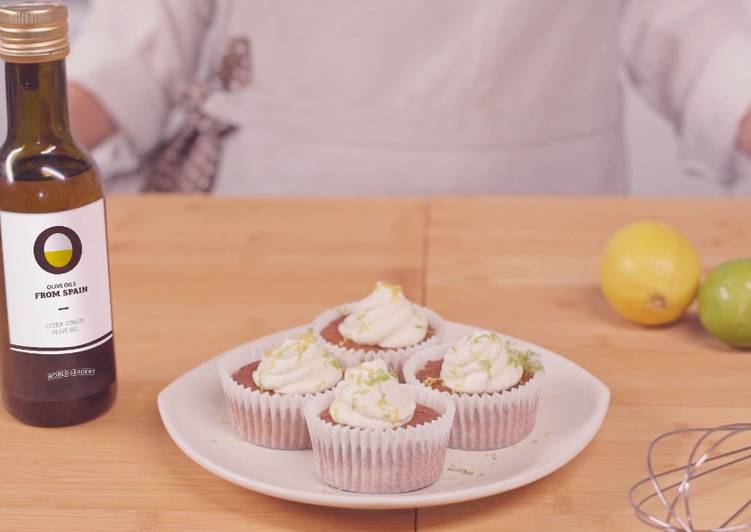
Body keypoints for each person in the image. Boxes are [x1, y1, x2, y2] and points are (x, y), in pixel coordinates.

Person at [68, 0, 751, 195]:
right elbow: (139, 35)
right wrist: (26, 159)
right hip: (280, 211)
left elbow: (693, 35)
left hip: (534, 223)